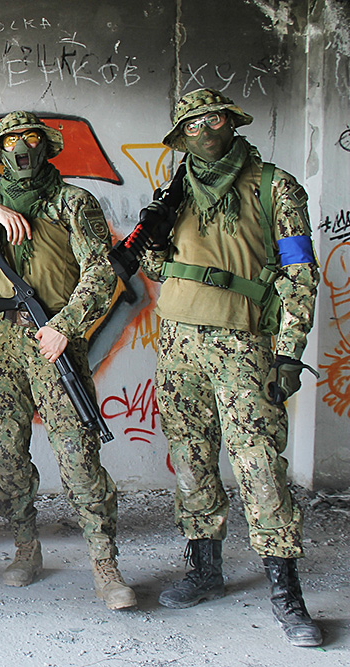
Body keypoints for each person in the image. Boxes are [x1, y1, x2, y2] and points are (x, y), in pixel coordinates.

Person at [0, 111, 135, 610]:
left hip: (53, 340)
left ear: (45, 146)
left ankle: (105, 563)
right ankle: (25, 546)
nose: (22, 148)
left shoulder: (73, 202)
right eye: (12, 141)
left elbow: (100, 275)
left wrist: (65, 325)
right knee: (8, 455)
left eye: (30, 139)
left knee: (79, 454)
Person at [141, 89, 321, 647]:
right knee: (191, 458)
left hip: (244, 345)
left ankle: (285, 592)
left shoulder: (274, 185)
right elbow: (158, 267)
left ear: (231, 123)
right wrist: (150, 235)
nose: (203, 130)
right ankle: (205, 570)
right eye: (190, 124)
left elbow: (298, 272)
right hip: (178, 344)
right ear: (180, 136)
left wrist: (289, 351)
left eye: (212, 119)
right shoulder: (174, 191)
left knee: (260, 465)